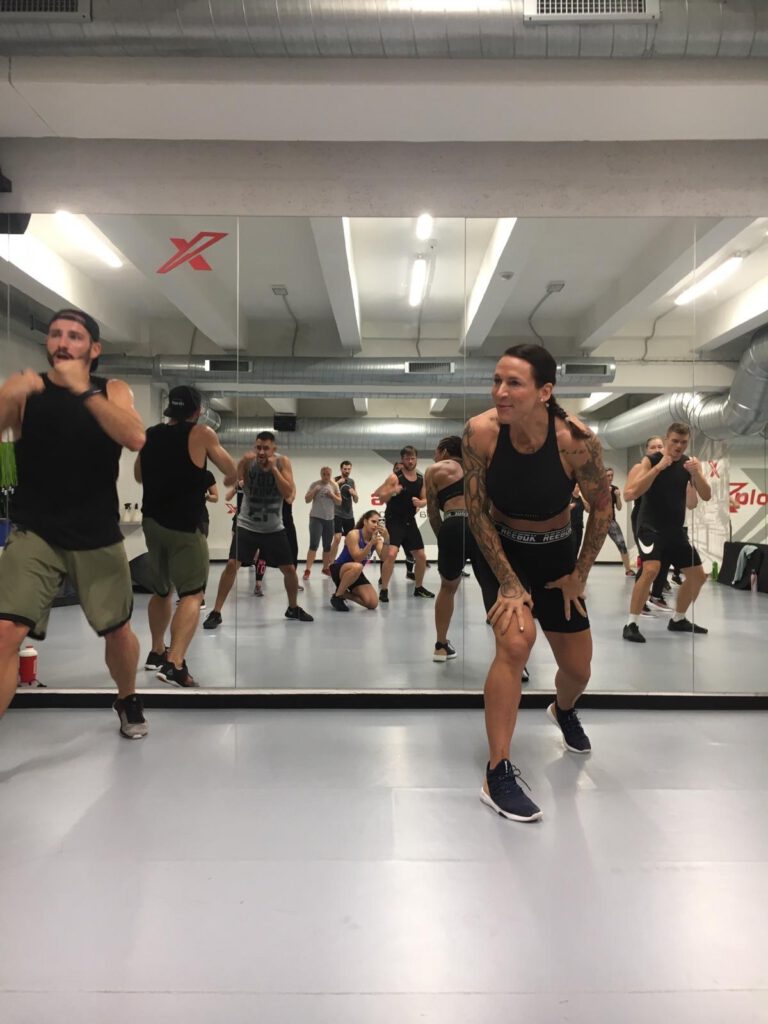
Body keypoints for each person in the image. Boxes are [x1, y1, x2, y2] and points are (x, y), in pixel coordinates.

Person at [464, 343, 611, 822]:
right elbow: (477, 514)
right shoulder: (481, 433)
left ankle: (563, 709)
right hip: (501, 549)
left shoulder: (575, 441)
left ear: (545, 391)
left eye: (514, 383)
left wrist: (578, 576)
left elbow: (602, 510)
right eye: (497, 381)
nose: (500, 392)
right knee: (515, 643)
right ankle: (497, 772)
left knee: (579, 669)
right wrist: (509, 582)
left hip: (556, 554)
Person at [0, 308, 149, 738]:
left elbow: (135, 437)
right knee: (6, 631)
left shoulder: (111, 390)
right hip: (36, 530)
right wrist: (8, 397)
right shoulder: (27, 389)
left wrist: (83, 391)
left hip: (95, 532)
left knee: (118, 631)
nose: (63, 342)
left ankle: (127, 696)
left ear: (94, 348)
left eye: (75, 336)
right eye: (56, 334)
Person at [136, 385, 237, 687]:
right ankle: (174, 663)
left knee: (161, 591)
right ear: (197, 411)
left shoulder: (150, 434)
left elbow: (139, 475)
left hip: (152, 522)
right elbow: (230, 471)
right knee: (192, 594)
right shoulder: (202, 433)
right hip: (184, 527)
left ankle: (157, 650)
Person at [203, 431, 312, 627]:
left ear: (274, 449)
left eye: (266, 448)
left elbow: (288, 493)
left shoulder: (283, 462)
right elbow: (228, 482)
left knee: (289, 569)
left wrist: (274, 470)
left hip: (274, 528)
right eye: (258, 447)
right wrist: (241, 465)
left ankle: (293, 608)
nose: (261, 452)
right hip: (247, 525)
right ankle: (216, 612)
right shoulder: (249, 461)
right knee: (232, 564)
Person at [622, 421, 711, 643]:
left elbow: (705, 496)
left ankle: (678, 619)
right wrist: (658, 468)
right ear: (666, 439)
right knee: (651, 569)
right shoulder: (650, 461)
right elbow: (630, 494)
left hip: (675, 530)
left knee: (698, 576)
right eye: (675, 441)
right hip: (649, 527)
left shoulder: (688, 464)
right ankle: (631, 624)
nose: (679, 446)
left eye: (683, 442)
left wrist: (697, 474)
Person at [425, 435, 475, 662]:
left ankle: (440, 646)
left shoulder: (435, 470)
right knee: (494, 590)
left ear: (445, 452)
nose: (435, 456)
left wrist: (443, 539)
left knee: (447, 588)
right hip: (480, 525)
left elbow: (433, 513)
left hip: (452, 523)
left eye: (437, 451)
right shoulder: (479, 466)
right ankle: (513, 658)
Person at [374, 446, 434, 602]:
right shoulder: (394, 477)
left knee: (421, 556)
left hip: (409, 521)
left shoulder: (421, 479)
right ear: (402, 460)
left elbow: (425, 499)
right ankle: (384, 590)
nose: (410, 461)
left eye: (413, 458)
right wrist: (393, 491)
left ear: (416, 459)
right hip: (394, 520)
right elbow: (381, 497)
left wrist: (421, 503)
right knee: (391, 554)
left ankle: (419, 588)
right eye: (407, 458)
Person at [329, 510, 387, 611]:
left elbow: (384, 558)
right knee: (358, 566)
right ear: (365, 521)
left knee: (373, 603)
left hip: (356, 572)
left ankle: (345, 594)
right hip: (339, 569)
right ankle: (337, 597)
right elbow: (357, 558)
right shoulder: (354, 534)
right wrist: (370, 543)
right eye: (373, 521)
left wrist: (386, 539)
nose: (375, 525)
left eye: (378, 523)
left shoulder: (377, 540)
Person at [585, 468, 633, 576]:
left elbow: (619, 507)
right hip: (598, 523)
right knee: (592, 547)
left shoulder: (615, 489)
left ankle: (628, 570)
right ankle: (584, 571)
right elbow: (591, 507)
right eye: (608, 475)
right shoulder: (597, 489)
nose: (610, 478)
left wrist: (617, 496)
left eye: (612, 475)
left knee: (622, 544)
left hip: (611, 522)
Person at [303, 467, 341, 580]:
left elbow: (339, 502)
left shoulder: (334, 485)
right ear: (321, 474)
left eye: (328, 474)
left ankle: (325, 568)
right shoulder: (315, 484)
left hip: (329, 519)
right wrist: (315, 490)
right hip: (316, 518)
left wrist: (332, 495)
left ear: (330, 474)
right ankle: (307, 570)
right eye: (324, 474)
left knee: (327, 545)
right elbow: (307, 499)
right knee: (313, 544)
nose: (326, 476)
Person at [329, 460, 358, 562]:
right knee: (337, 538)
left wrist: (354, 494)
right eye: (345, 469)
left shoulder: (351, 482)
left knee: (350, 540)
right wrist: (337, 483)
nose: (347, 471)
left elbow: (356, 500)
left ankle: (347, 560)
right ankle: (331, 564)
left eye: (349, 469)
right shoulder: (334, 480)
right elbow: (327, 491)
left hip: (349, 515)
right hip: (337, 513)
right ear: (341, 469)